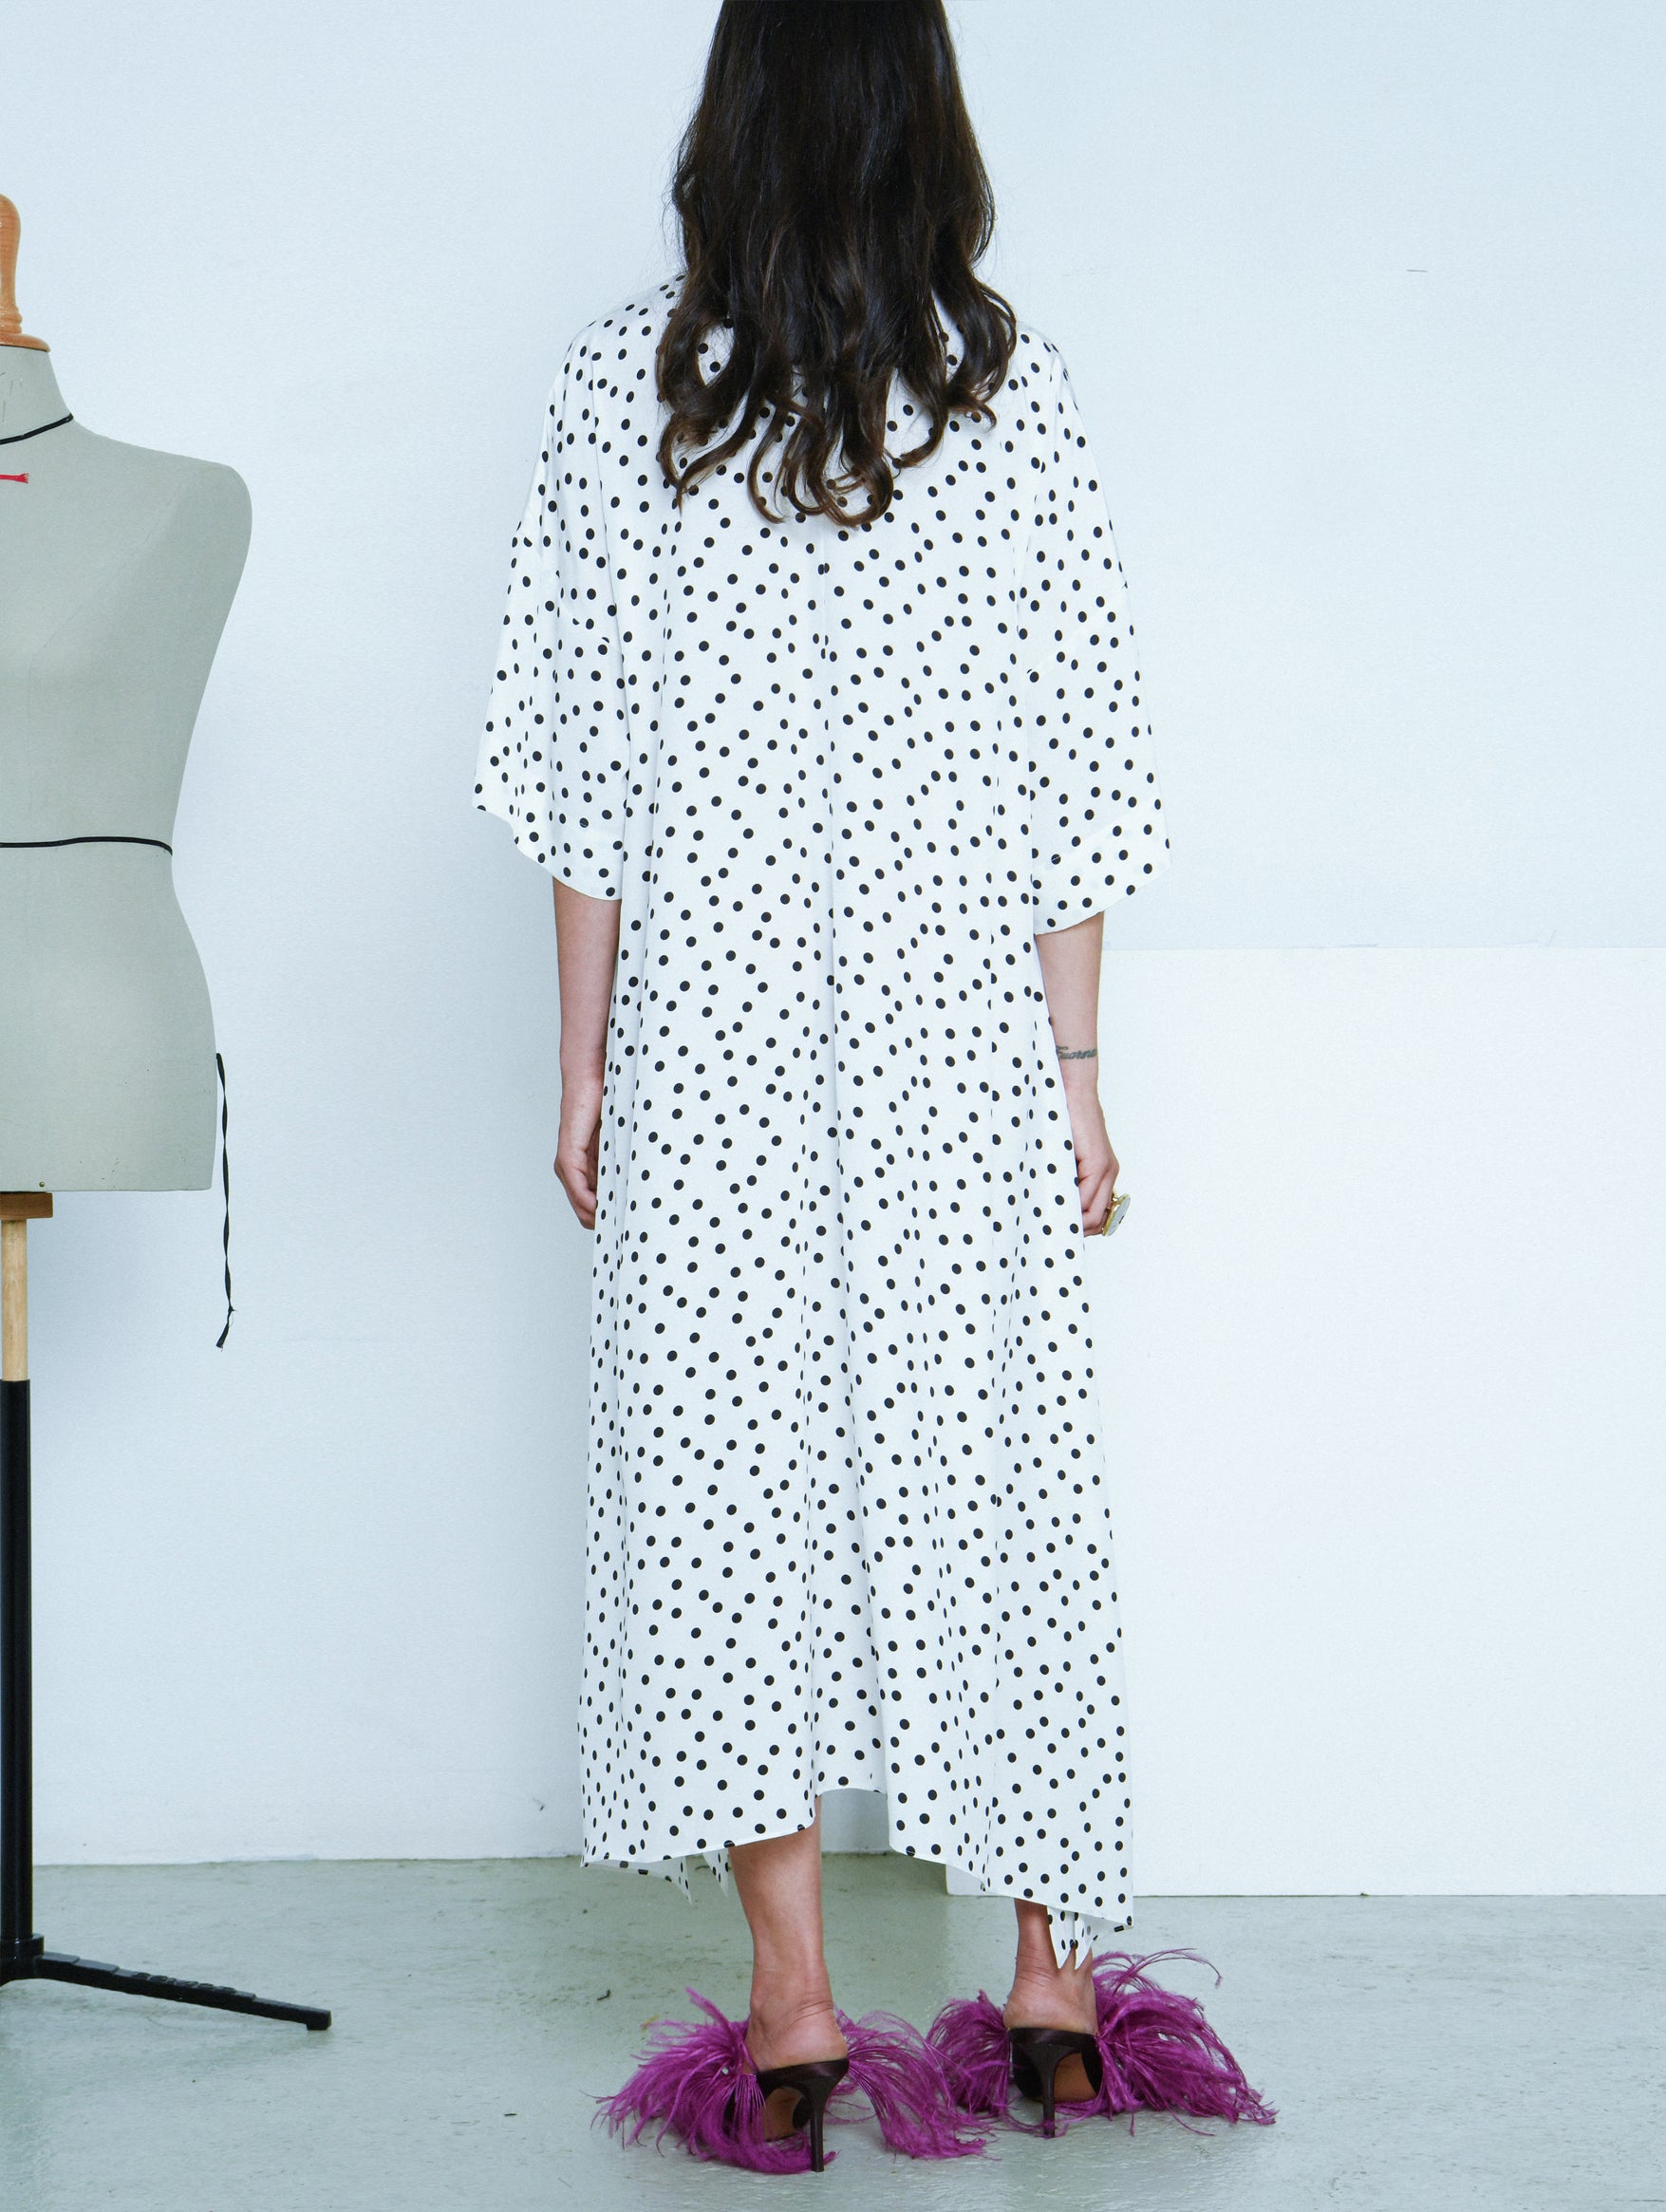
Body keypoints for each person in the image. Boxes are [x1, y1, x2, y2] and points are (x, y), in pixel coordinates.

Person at [475, 0, 1267, 2173]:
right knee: (991, 1472)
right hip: (949, 1039)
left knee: (723, 1483)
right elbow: (1073, 783)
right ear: (926, 117)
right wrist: (1075, 1074)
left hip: (715, 1037)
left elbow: (580, 773)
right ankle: (1049, 1989)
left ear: (731, 113)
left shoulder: (629, 391)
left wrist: (583, 1064)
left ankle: (794, 2012)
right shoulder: (1010, 395)